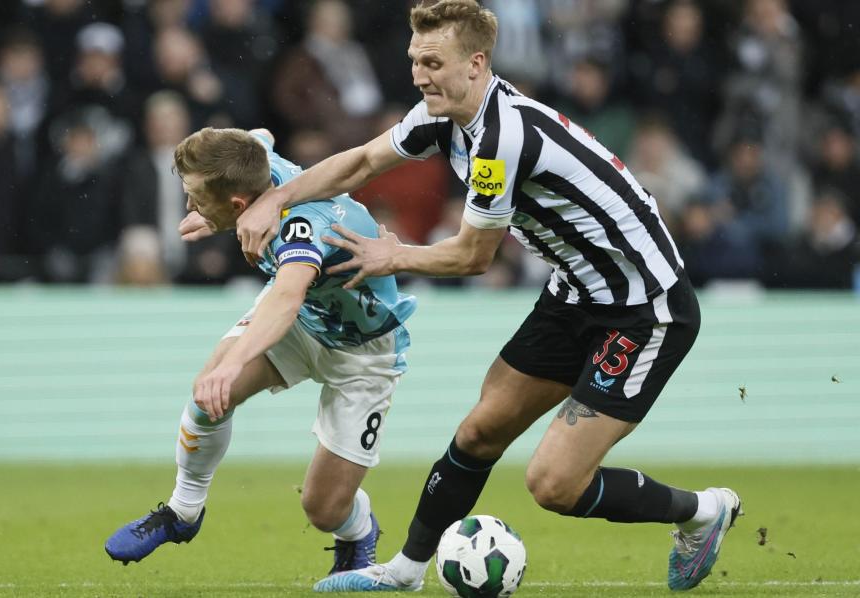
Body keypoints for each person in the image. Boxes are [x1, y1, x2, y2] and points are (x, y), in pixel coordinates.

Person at [225, 1, 742, 592]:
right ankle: (406, 571)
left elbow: (474, 255)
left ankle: (703, 511)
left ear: (476, 64)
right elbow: (364, 161)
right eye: (415, 60)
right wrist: (274, 199)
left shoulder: (502, 136)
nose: (420, 75)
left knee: (554, 484)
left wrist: (394, 255)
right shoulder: (443, 117)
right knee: (478, 432)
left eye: (434, 62)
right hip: (573, 295)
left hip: (644, 310)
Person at [104, 127, 417, 579]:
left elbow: (287, 297)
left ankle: (357, 531)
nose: (189, 205)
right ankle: (183, 512)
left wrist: (233, 361)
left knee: (323, 508)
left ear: (237, 204)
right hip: (307, 318)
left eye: (195, 196)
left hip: (362, 350)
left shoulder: (301, 227)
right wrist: (217, 217)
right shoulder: (256, 163)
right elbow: (261, 134)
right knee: (210, 392)